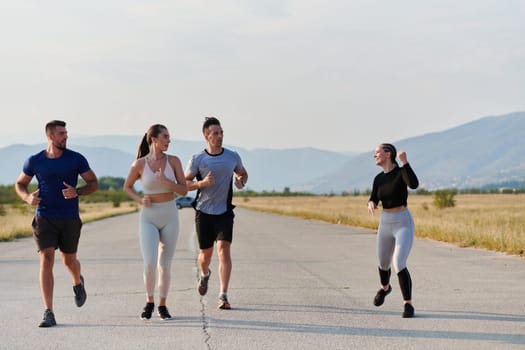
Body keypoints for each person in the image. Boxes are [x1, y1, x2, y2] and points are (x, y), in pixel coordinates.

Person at [15, 120, 99, 328]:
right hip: (44, 217)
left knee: (69, 260)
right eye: (62, 133)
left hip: (69, 218)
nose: (66, 136)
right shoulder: (35, 160)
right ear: (50, 136)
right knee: (46, 258)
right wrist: (27, 198)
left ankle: (78, 282)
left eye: (66, 133)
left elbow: (93, 183)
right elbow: (20, 184)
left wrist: (77, 191)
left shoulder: (76, 159)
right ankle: (48, 312)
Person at [123, 124, 187, 321]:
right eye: (165, 137)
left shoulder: (174, 161)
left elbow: (184, 191)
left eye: (169, 137)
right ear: (154, 139)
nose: (169, 140)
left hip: (169, 215)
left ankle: (162, 304)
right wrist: (140, 200)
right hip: (148, 217)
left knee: (164, 264)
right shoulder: (139, 164)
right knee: (150, 262)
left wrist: (166, 181)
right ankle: (149, 301)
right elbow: (127, 187)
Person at [185, 117, 248, 310]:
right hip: (203, 212)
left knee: (223, 250)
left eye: (221, 133)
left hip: (224, 212)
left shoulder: (232, 156)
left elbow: (243, 173)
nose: (219, 136)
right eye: (215, 133)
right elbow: (184, 184)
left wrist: (241, 181)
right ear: (206, 136)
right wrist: (201, 184)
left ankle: (223, 294)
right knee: (205, 255)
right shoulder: (197, 159)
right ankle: (204, 275)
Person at [367, 143, 419, 318]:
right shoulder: (378, 178)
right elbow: (373, 197)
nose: (375, 155)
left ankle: (408, 304)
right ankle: (385, 288)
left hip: (403, 222)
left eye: (377, 152)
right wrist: (371, 203)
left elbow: (413, 184)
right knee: (383, 263)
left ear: (388, 154)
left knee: (399, 263)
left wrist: (405, 162)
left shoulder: (400, 172)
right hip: (385, 222)